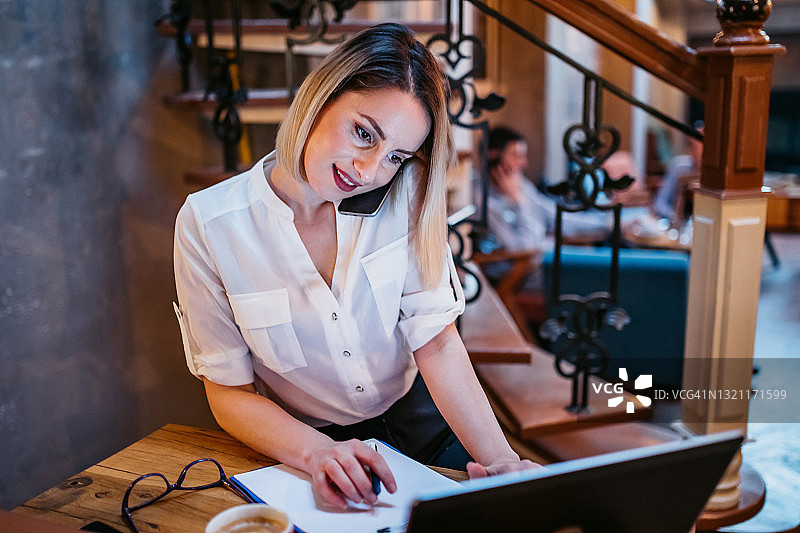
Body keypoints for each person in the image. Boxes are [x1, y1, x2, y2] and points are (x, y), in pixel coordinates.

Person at [173, 23, 537, 511]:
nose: (368, 170)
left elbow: (438, 342)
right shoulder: (209, 223)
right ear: (317, 96)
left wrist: (502, 462)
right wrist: (318, 452)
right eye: (364, 132)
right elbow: (228, 392)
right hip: (307, 441)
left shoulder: (406, 192)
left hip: (422, 422)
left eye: (394, 155)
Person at [478, 126, 614, 288]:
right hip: (523, 275)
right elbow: (527, 248)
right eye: (516, 156)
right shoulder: (482, 200)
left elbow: (555, 215)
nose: (524, 163)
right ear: (493, 157)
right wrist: (518, 203)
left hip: (543, 261)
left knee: (604, 262)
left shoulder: (520, 185)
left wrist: (608, 223)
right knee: (599, 275)